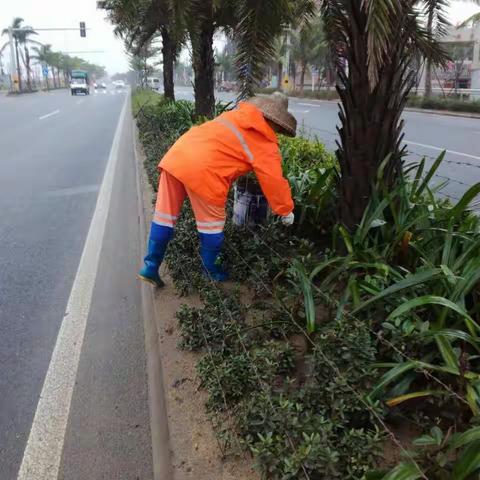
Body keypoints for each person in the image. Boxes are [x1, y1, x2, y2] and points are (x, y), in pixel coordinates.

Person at [138, 92, 297, 287]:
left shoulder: (233, 116)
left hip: (177, 156)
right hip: (205, 172)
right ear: (277, 123)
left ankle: (150, 266)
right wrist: (285, 209)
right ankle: (211, 272)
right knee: (211, 227)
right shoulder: (264, 143)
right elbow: (274, 181)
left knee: (164, 217)